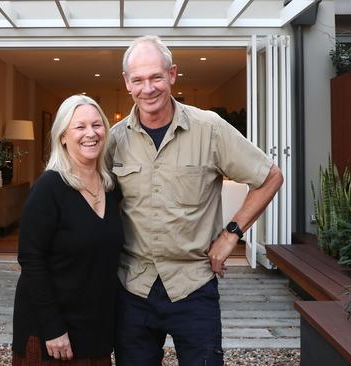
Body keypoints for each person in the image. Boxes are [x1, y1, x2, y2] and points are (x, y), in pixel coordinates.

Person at [107, 35, 284, 365]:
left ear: (172, 75)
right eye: (139, 80)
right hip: (134, 287)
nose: (149, 88)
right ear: (127, 83)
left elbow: (270, 177)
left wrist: (232, 234)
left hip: (193, 286)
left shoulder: (210, 128)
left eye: (156, 77)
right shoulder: (115, 139)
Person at [12, 95, 123, 366]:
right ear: (63, 136)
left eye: (97, 125)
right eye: (80, 127)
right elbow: (31, 259)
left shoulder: (112, 188)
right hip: (51, 335)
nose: (91, 133)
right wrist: (53, 328)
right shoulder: (49, 189)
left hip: (95, 329)